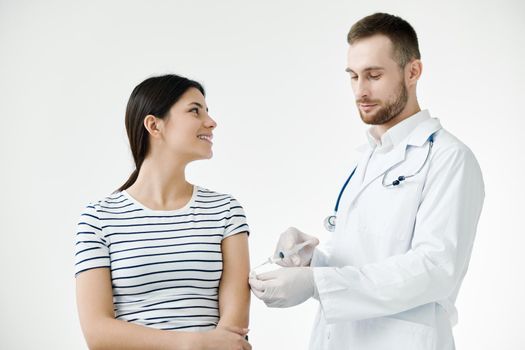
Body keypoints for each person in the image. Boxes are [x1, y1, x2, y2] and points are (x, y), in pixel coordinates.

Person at [249, 12, 485, 350]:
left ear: (413, 72)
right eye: (353, 76)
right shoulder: (370, 156)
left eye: (374, 75)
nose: (361, 90)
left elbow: (435, 269)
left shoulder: (449, 158)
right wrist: (313, 261)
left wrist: (317, 283)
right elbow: (364, 258)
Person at [75, 74, 252, 350]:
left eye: (207, 111)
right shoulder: (98, 219)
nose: (211, 121)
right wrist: (196, 344)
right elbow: (97, 333)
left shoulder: (226, 211)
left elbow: (232, 333)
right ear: (154, 125)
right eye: (195, 110)